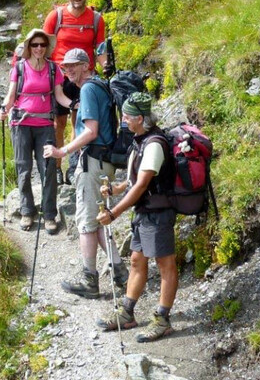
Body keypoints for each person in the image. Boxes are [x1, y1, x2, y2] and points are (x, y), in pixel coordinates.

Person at [43, 48, 128, 298]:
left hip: (92, 161)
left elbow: (91, 130)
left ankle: (89, 280)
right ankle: (120, 271)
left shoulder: (89, 89)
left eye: (73, 65)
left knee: (86, 224)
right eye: (65, 66)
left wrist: (63, 151)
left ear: (85, 65)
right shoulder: (99, 86)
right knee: (96, 220)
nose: (67, 70)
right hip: (103, 161)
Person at [94, 92, 178, 343]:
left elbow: (142, 186)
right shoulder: (140, 141)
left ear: (141, 118)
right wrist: (116, 189)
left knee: (166, 264)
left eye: (127, 116)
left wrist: (114, 212)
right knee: (136, 261)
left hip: (158, 213)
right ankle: (127, 312)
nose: (124, 120)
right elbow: (134, 181)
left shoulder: (153, 145)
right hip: (145, 213)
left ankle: (162, 320)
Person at [0, 29, 72, 234]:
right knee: (24, 169)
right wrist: (3, 109)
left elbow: (59, 96)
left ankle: (49, 215)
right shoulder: (19, 68)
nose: (39, 48)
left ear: (47, 47)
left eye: (42, 44)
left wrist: (75, 104)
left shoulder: (53, 69)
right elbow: (11, 96)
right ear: (29, 47)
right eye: (34, 45)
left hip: (45, 125)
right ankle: (27, 211)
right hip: (20, 125)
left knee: (47, 168)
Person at [43, 0, 108, 186]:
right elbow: (43, 45)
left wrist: (105, 67)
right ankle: (56, 168)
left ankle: (74, 166)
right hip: (59, 75)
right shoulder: (56, 16)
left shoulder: (96, 19)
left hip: (83, 76)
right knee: (57, 124)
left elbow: (100, 48)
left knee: (79, 121)